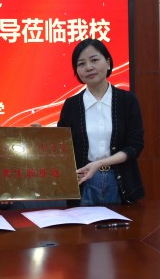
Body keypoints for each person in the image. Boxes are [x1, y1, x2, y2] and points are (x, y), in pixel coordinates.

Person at [58, 38, 145, 206]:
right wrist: (44, 136)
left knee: (121, 224)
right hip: (83, 183)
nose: (88, 67)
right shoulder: (71, 105)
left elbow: (135, 146)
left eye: (94, 60)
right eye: (81, 64)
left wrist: (100, 164)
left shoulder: (128, 100)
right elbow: (63, 148)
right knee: (83, 224)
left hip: (121, 183)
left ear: (108, 62)